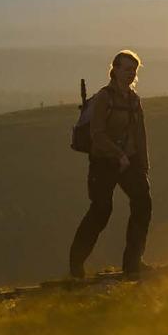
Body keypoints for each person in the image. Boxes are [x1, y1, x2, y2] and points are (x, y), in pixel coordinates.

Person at [69, 50, 152, 279]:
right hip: (103, 162)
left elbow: (140, 136)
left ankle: (133, 262)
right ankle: (76, 263)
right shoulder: (105, 98)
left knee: (143, 203)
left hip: (128, 162)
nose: (130, 74)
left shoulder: (134, 100)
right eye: (126, 69)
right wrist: (119, 154)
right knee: (101, 211)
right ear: (114, 70)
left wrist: (143, 166)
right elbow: (97, 134)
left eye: (133, 70)